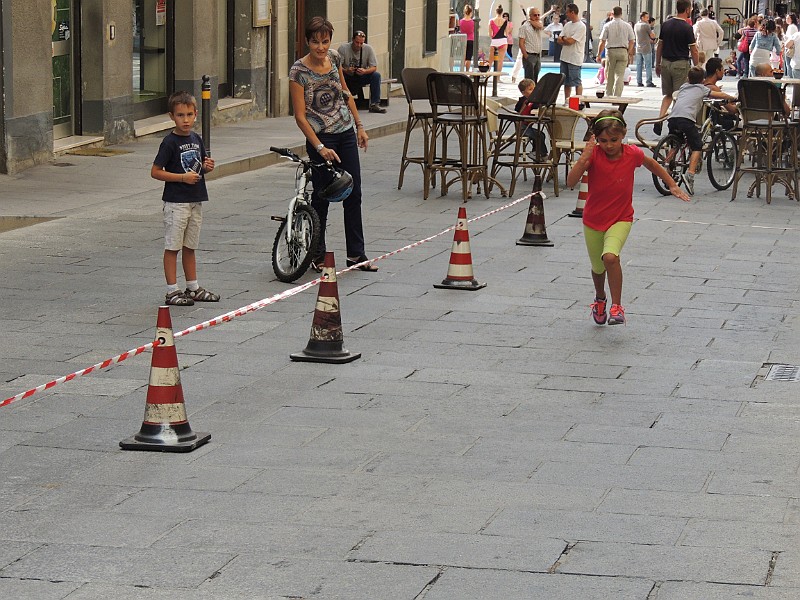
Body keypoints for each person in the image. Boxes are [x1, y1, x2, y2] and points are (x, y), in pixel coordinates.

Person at [566, 110, 690, 326]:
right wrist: (584, 157)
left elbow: (652, 164)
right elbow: (570, 182)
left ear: (623, 135)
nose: (609, 145)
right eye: (603, 141)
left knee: (610, 257)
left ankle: (617, 306)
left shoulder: (631, 153)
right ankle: (600, 298)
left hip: (621, 218)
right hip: (593, 219)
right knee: (598, 268)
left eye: (614, 140)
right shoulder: (593, 155)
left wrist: (671, 184)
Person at [290, 17, 378, 272]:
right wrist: (319, 147)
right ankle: (317, 255)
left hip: (345, 132)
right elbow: (299, 116)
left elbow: (345, 92)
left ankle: (356, 255)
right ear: (307, 41)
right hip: (322, 138)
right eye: (315, 42)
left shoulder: (335, 59)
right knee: (323, 196)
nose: (320, 47)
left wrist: (360, 126)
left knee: (354, 192)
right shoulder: (298, 71)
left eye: (325, 41)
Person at [150, 91, 218, 306]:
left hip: (195, 198)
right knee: (173, 246)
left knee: (190, 245)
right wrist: (181, 178)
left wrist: (206, 168)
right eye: (180, 115)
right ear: (172, 116)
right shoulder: (169, 142)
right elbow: (156, 171)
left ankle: (193, 287)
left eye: (189, 114)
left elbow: (197, 168)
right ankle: (172, 291)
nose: (185, 120)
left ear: (196, 114)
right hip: (176, 201)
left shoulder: (196, 138)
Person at [667, 66, 736, 194]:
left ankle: (668, 167)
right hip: (686, 119)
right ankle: (690, 175)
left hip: (672, 118)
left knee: (676, 143)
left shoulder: (683, 87)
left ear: (688, 78)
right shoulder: (701, 88)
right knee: (697, 146)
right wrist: (732, 98)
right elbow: (718, 95)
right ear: (702, 80)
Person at [655, 0, 699, 135]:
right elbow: (694, 50)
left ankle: (659, 118)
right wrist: (697, 66)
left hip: (666, 63)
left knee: (667, 95)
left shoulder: (666, 24)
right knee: (678, 96)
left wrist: (658, 64)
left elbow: (659, 46)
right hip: (680, 64)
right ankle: (673, 124)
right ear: (687, 10)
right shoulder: (687, 27)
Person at [337, 31, 387, 114]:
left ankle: (375, 104)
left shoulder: (368, 49)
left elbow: (374, 67)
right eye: (357, 42)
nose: (359, 45)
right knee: (338, 76)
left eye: (361, 43)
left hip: (361, 75)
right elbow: (337, 66)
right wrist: (346, 70)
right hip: (347, 75)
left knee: (376, 76)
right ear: (352, 40)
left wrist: (365, 71)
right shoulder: (343, 48)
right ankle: (341, 103)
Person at [596, 6, 635, 97]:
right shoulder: (627, 25)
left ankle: (609, 94)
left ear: (612, 14)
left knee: (610, 74)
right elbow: (632, 41)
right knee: (620, 75)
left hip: (611, 51)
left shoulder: (607, 25)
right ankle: (617, 95)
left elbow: (602, 41)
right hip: (623, 50)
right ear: (621, 14)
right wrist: (628, 52)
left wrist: (598, 54)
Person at [557, 3, 587, 103]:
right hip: (565, 57)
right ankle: (567, 100)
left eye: (567, 12)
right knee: (566, 81)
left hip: (575, 57)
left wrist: (564, 39)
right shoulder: (567, 25)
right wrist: (565, 39)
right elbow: (558, 40)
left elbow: (571, 41)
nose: (566, 14)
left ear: (572, 12)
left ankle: (578, 101)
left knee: (576, 81)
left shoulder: (581, 26)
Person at [518, 5, 556, 81]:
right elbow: (521, 43)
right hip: (529, 55)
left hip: (538, 55)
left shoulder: (538, 23)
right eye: (535, 15)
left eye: (538, 14)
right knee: (529, 79)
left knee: (535, 78)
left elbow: (540, 26)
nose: (537, 17)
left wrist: (531, 20)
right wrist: (526, 55)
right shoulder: (524, 27)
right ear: (530, 15)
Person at [703, 57, 739, 129]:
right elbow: (732, 110)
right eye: (722, 69)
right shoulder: (713, 89)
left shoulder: (703, 84)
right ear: (717, 71)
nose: (723, 72)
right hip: (714, 121)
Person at [634, 12, 657, 87]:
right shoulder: (646, 26)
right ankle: (649, 81)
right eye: (646, 17)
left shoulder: (636, 25)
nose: (648, 19)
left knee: (639, 65)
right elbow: (652, 35)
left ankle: (639, 81)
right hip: (646, 47)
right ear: (642, 18)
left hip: (638, 47)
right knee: (648, 65)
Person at [489, 5, 509, 74]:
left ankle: (487, 74)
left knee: (491, 60)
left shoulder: (491, 21)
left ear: (495, 11)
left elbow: (490, 34)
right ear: (502, 12)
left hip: (494, 41)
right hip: (503, 41)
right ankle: (498, 78)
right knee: (500, 60)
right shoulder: (505, 21)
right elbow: (506, 33)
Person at [459, 5, 476, 71]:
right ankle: (467, 70)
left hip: (462, 39)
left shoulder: (461, 21)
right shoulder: (473, 22)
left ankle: (462, 70)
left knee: (463, 56)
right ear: (471, 12)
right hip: (471, 40)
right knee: (468, 57)